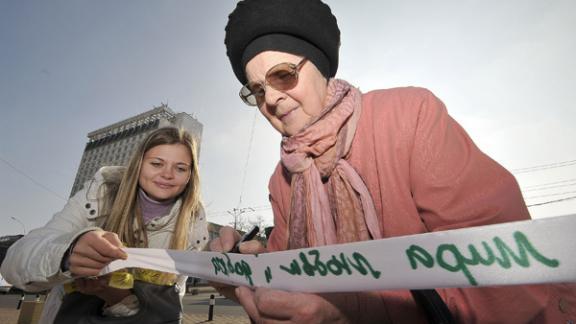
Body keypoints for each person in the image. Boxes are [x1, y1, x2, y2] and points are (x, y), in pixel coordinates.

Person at [209, 0, 576, 323]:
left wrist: (356, 314)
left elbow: (503, 270)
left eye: (283, 76)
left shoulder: (410, 117)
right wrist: (243, 271)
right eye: (257, 90)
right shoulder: (281, 179)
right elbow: (288, 273)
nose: (270, 99)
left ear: (321, 67)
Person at [1, 127, 208, 323]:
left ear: (190, 176)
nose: (167, 174)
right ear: (139, 164)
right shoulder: (98, 194)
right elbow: (13, 264)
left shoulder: (193, 227)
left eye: (180, 168)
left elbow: (171, 302)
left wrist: (118, 297)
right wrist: (67, 253)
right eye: (156, 163)